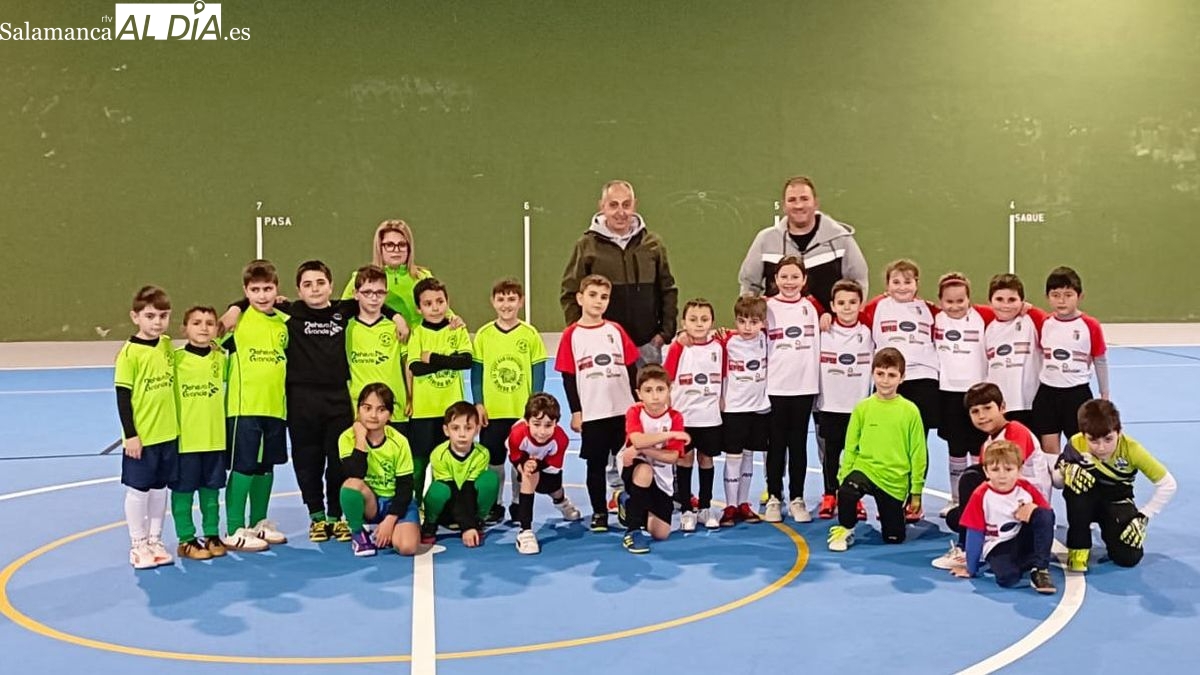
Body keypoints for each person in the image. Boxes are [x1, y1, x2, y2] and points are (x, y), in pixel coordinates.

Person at [933, 382, 1051, 570]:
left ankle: (965, 549)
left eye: (987, 408)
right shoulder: (988, 444)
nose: (982, 416)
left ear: (1002, 407)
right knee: (956, 517)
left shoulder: (1016, 431)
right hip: (1006, 500)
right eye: (975, 411)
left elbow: (1011, 480)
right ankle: (981, 542)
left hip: (1027, 503)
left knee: (971, 477)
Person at [560, 179, 678, 366]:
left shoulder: (653, 244)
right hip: (602, 349)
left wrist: (664, 334)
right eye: (613, 205)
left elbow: (668, 290)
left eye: (626, 205)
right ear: (602, 207)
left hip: (647, 347)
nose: (621, 212)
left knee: (646, 396)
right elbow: (570, 294)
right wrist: (582, 333)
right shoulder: (586, 246)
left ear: (635, 205)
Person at [555, 274, 640, 532]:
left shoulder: (615, 330)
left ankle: (629, 503)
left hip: (623, 411)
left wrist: (637, 405)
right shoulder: (572, 335)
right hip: (593, 413)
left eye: (604, 297)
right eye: (592, 295)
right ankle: (599, 512)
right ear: (580, 298)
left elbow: (631, 367)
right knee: (596, 465)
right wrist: (576, 412)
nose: (598, 301)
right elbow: (569, 377)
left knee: (629, 460)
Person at [1058, 399, 1177, 572]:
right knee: (1076, 490)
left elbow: (1168, 484)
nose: (1101, 448)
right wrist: (1066, 472)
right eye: (1093, 440)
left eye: (1108, 439)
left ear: (1119, 432)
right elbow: (1056, 482)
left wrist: (1143, 516)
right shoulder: (1076, 443)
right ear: (1084, 434)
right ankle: (1078, 550)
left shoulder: (1132, 450)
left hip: (1116, 500)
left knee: (1128, 558)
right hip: (1085, 500)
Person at [827, 348, 927, 551]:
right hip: (866, 469)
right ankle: (845, 528)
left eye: (892, 375)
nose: (885, 381)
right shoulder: (863, 408)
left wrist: (916, 492)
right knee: (847, 491)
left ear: (902, 378)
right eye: (880, 374)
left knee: (894, 538)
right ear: (872, 373)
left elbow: (918, 453)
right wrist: (844, 478)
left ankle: (892, 521)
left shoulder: (910, 411)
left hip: (894, 479)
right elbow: (851, 446)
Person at [861, 259, 939, 521]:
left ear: (917, 284)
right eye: (896, 281)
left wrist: (1028, 310)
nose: (902, 286)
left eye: (908, 281)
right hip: (888, 381)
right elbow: (848, 315)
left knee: (917, 443)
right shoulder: (877, 307)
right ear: (887, 286)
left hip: (924, 379)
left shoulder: (929, 310)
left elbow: (964, 313)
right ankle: (891, 498)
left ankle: (913, 500)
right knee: (889, 443)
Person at [220, 260, 290, 551]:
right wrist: (236, 306)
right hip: (244, 408)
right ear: (246, 291)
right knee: (244, 466)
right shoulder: (237, 320)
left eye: (268, 289)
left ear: (277, 289)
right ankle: (235, 527)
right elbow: (211, 337)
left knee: (265, 467)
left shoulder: (285, 321)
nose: (262, 295)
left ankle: (259, 522)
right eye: (255, 290)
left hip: (275, 408)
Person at [473, 278, 548, 524]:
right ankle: (496, 504)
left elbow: (539, 370)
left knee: (521, 461)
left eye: (512, 299)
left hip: (520, 413)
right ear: (493, 302)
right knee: (494, 461)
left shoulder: (529, 334)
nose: (506, 305)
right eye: (501, 299)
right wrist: (479, 403)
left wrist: (534, 407)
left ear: (521, 302)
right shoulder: (484, 335)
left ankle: (519, 502)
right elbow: (477, 372)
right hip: (493, 412)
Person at [115, 286, 179, 569]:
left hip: (168, 435)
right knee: (138, 490)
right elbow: (123, 397)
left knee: (159, 490)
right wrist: (131, 435)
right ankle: (137, 544)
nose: (157, 322)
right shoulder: (129, 354)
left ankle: (155, 539)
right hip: (143, 438)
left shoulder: (166, 345)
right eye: (150, 315)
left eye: (163, 316)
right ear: (135, 317)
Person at [738, 175, 868, 311]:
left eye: (804, 199)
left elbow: (858, 283)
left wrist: (847, 322)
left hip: (828, 329)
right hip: (777, 329)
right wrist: (750, 316)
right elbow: (749, 286)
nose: (798, 205)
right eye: (792, 200)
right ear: (784, 206)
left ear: (816, 203)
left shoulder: (841, 240)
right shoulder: (765, 240)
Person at [950, 440, 1057, 594]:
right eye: (995, 469)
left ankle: (1040, 569)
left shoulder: (1025, 488)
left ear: (1019, 470)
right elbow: (974, 534)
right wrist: (971, 569)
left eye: (1008, 469)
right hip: (998, 543)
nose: (1002, 476)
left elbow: (1047, 517)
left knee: (1042, 514)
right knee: (1008, 579)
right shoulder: (981, 495)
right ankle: (1020, 564)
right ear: (986, 472)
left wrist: (1033, 508)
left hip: (1022, 538)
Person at [763, 256, 823, 524]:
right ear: (776, 279)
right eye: (784, 276)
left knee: (798, 444)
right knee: (775, 445)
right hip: (774, 387)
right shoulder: (766, 307)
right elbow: (746, 334)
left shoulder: (811, 308)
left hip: (804, 387)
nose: (789, 282)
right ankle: (775, 497)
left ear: (804, 279)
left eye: (794, 277)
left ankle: (797, 498)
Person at [170, 306, 233, 561]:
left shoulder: (221, 359)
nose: (204, 328)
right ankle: (186, 538)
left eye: (209, 323)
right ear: (185, 328)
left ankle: (211, 534)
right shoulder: (174, 359)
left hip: (215, 438)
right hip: (186, 441)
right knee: (184, 492)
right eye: (196, 322)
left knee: (211, 492)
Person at [932, 273, 995, 515]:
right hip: (948, 395)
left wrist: (1027, 308)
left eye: (961, 301)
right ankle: (957, 497)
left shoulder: (984, 316)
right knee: (956, 450)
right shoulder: (934, 319)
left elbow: (1014, 311)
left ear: (969, 299)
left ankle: (981, 496)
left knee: (979, 449)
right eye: (949, 302)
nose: (955, 306)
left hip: (978, 394)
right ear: (940, 301)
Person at [406, 277, 473, 498]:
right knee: (418, 466)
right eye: (428, 303)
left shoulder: (457, 330)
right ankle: (414, 508)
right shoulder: (417, 333)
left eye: (440, 301)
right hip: (423, 411)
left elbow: (465, 361)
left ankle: (440, 507)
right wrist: (448, 360)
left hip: (451, 413)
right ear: (419, 308)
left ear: (447, 302)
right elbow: (416, 367)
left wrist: (432, 357)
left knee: (444, 466)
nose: (435, 308)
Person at [1033, 266, 1109, 456]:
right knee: (1049, 450)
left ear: (1080, 296)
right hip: (1047, 395)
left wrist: (1104, 395)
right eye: (1055, 295)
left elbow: (1100, 360)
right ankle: (1050, 485)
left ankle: (1074, 484)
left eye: (1068, 294)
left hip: (1077, 395)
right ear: (1047, 297)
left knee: (1080, 449)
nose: (1061, 300)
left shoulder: (1090, 325)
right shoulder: (1044, 323)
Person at [338, 383, 421, 557]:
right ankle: (358, 533)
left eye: (381, 409)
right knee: (351, 485)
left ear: (390, 414)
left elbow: (406, 487)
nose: (373, 415)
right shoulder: (347, 438)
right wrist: (360, 439)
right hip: (371, 503)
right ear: (358, 409)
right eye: (367, 408)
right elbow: (355, 474)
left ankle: (385, 528)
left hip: (397, 501)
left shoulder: (399, 441)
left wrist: (390, 520)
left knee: (407, 548)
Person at [664, 299, 724, 531]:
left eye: (704, 319)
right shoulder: (677, 347)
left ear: (712, 322)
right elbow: (667, 379)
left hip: (709, 418)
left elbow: (726, 376)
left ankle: (706, 507)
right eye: (693, 319)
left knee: (706, 459)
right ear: (683, 322)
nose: (699, 324)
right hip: (684, 418)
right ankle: (687, 509)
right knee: (684, 460)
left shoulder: (719, 347)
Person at [815, 279, 873, 520]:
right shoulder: (823, 331)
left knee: (855, 453)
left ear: (861, 305)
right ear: (832, 306)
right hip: (829, 404)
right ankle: (829, 493)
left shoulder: (868, 333)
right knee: (831, 452)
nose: (847, 307)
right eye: (841, 303)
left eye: (852, 302)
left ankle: (852, 496)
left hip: (858, 405)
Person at [618, 365, 689, 554]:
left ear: (669, 390)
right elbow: (637, 439)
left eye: (660, 389)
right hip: (635, 469)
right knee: (644, 471)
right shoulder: (634, 412)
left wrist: (642, 449)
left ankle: (627, 502)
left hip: (662, 479)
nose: (655, 396)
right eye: (648, 391)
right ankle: (632, 531)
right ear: (639, 394)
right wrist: (670, 435)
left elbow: (672, 457)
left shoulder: (675, 417)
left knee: (661, 533)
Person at [507, 393, 582, 554]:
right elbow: (514, 457)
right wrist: (525, 467)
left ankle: (562, 502)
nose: (542, 431)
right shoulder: (517, 434)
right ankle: (525, 531)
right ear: (527, 422)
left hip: (547, 467)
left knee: (555, 490)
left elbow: (553, 466)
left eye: (548, 425)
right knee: (529, 476)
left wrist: (536, 464)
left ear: (556, 423)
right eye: (537, 424)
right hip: (527, 465)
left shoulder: (560, 439)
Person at [717, 295, 769, 527]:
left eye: (754, 322)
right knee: (733, 457)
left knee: (749, 455)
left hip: (759, 408)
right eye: (742, 321)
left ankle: (743, 503)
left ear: (763, 323)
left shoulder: (767, 340)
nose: (747, 327)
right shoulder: (726, 341)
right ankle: (729, 505)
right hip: (734, 408)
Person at [420, 402, 499, 548]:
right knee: (439, 489)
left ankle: (479, 521)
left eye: (468, 428)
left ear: (477, 429)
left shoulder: (482, 454)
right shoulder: (439, 454)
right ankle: (430, 524)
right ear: (446, 430)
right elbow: (453, 490)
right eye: (455, 428)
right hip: (446, 508)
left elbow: (469, 488)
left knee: (490, 480)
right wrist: (467, 527)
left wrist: (471, 524)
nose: (462, 434)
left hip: (469, 505)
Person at [341, 219, 435, 337]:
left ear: (409, 248)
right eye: (389, 245)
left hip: (419, 345)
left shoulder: (423, 276)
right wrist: (395, 317)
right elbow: (342, 313)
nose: (396, 250)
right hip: (377, 346)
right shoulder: (361, 278)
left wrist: (454, 320)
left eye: (401, 244)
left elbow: (442, 310)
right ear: (379, 247)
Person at [346, 265, 409, 436]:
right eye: (367, 293)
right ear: (355, 294)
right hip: (358, 412)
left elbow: (408, 365)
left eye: (379, 293)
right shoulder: (346, 328)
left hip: (395, 411)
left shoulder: (396, 328)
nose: (374, 298)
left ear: (386, 295)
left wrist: (411, 397)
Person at [983, 273, 1047, 430]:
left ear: (1023, 301)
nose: (1005, 305)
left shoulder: (1031, 319)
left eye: (1012, 300)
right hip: (1000, 407)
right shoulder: (986, 325)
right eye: (999, 299)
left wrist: (1031, 310)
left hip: (1029, 403)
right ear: (989, 301)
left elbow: (1053, 325)